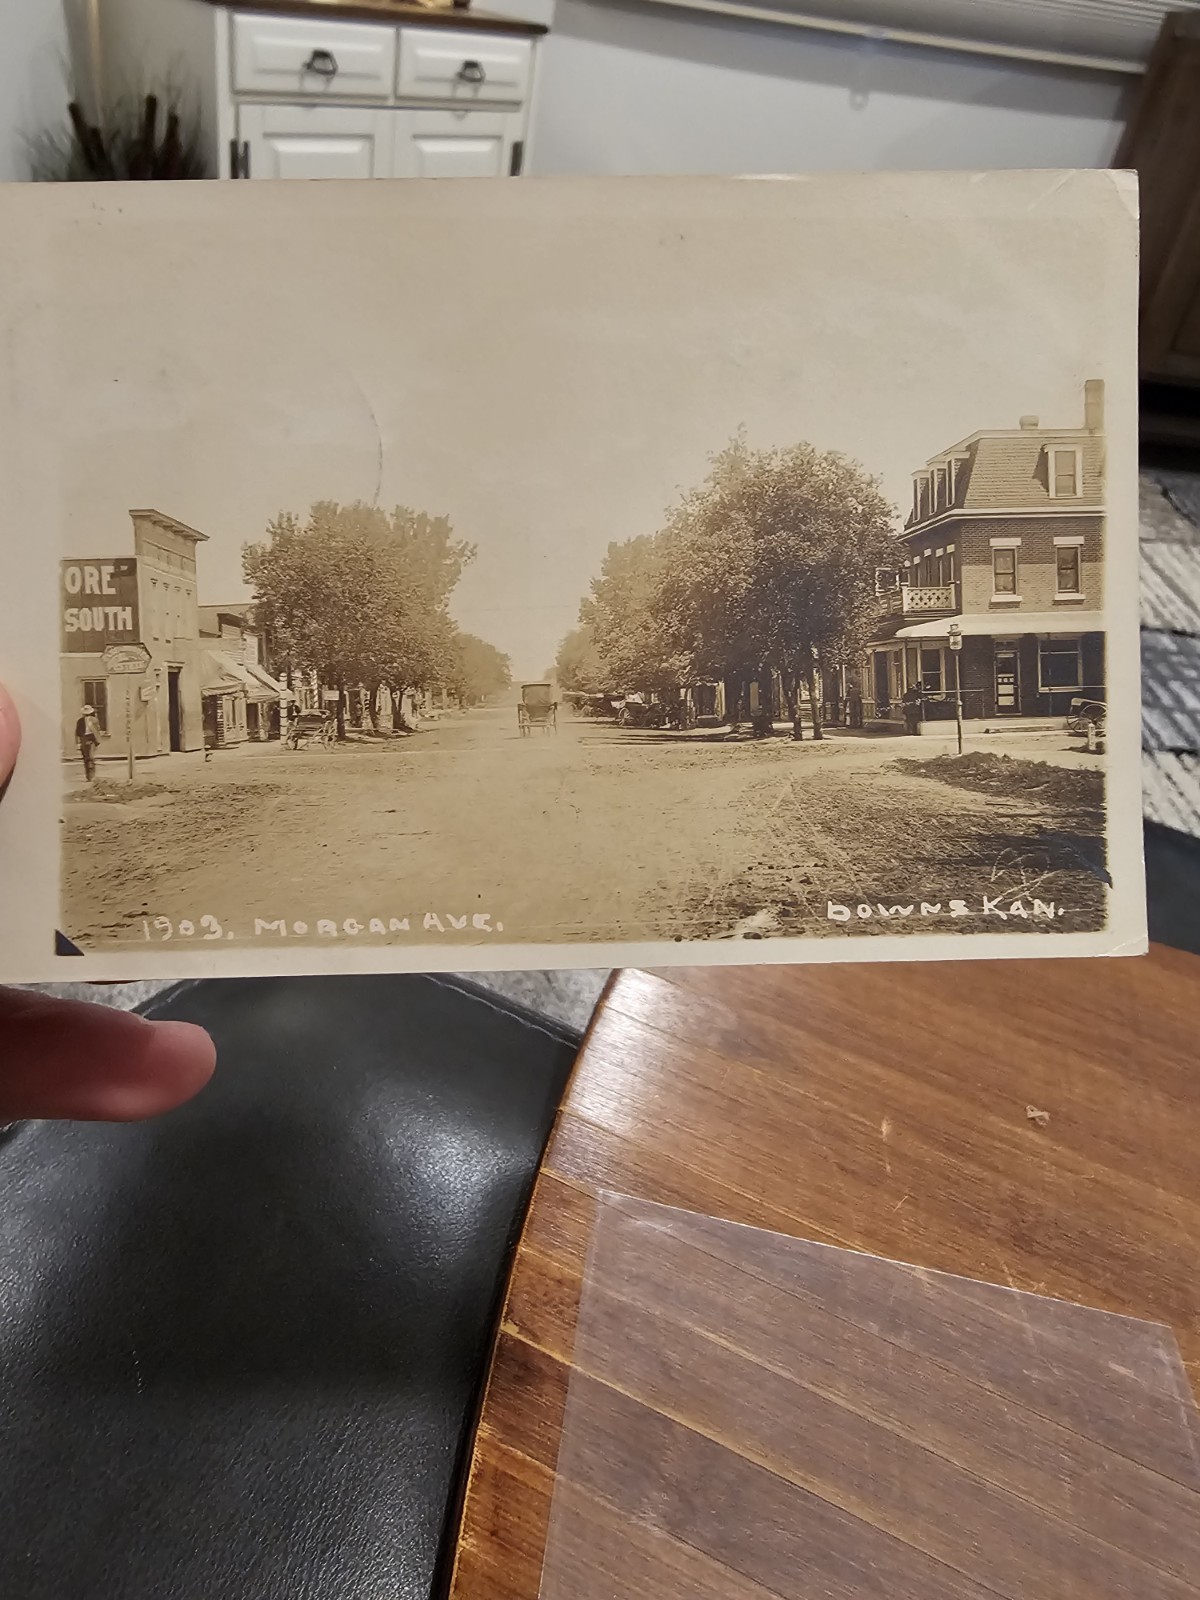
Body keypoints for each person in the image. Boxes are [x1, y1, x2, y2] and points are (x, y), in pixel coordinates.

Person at [0, 682, 215, 1122]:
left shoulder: (91, 722)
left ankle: (92, 772)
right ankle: (90, 774)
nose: (87, 713)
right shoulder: (83, 721)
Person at [75, 701, 103, 782]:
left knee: (91, 757)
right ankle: (88, 776)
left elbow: (97, 729)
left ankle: (92, 774)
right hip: (84, 738)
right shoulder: (80, 721)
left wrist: (97, 739)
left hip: (91, 738)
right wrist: (78, 743)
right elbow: (77, 732)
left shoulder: (94, 720)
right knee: (86, 758)